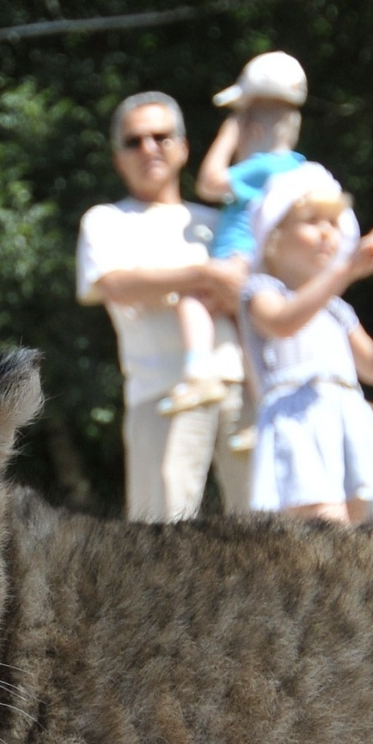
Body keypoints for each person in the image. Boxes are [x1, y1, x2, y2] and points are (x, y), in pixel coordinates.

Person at [76, 92, 252, 522]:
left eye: (161, 136)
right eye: (134, 141)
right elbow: (113, 284)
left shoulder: (216, 221)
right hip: (161, 391)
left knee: (264, 532)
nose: (149, 148)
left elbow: (254, 299)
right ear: (118, 158)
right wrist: (205, 276)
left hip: (239, 386)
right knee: (160, 537)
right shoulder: (106, 219)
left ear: (184, 147)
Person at [241, 165, 373, 525]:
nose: (326, 233)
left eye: (334, 223)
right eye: (312, 221)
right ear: (273, 236)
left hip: (345, 420)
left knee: (358, 527)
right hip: (299, 423)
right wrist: (345, 271)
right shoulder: (261, 291)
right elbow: (283, 322)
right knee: (321, 522)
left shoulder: (337, 309)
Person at [161, 51, 312, 418]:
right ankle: (262, 411)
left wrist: (227, 136)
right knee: (251, 336)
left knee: (192, 302)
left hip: (237, 261)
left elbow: (209, 182)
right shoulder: (299, 168)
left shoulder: (261, 167)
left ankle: (198, 373)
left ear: (253, 130)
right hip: (264, 269)